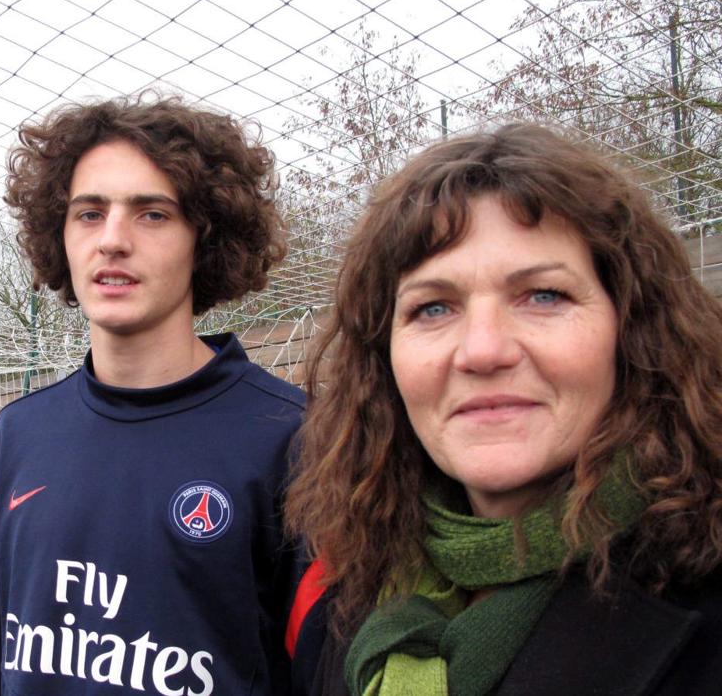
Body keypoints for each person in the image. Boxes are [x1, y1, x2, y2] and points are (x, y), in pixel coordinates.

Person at [282, 123, 722, 695]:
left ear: (632, 328)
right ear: (382, 359)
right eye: (434, 308)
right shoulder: (349, 594)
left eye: (544, 296)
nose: (483, 350)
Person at [0, 93, 306, 695]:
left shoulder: (293, 436)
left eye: (152, 214)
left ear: (206, 237)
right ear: (59, 234)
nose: (112, 240)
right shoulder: (18, 435)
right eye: (89, 213)